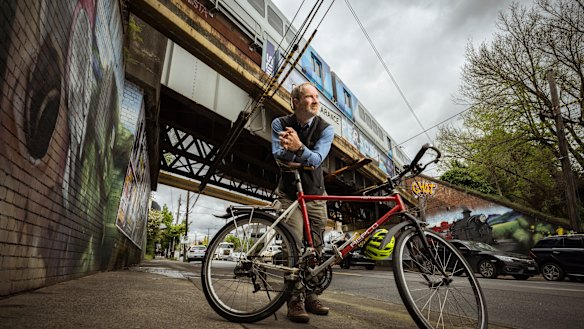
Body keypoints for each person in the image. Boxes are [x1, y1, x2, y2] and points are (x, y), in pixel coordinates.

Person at [271, 82, 334, 323]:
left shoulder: (326, 129)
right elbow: (278, 155)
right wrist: (303, 156)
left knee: (316, 248)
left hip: (316, 195)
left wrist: (298, 148)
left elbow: (317, 160)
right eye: (309, 97)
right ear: (295, 101)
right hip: (289, 193)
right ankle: (294, 299)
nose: (316, 101)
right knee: (293, 246)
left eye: (317, 96)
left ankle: (311, 295)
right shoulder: (279, 123)